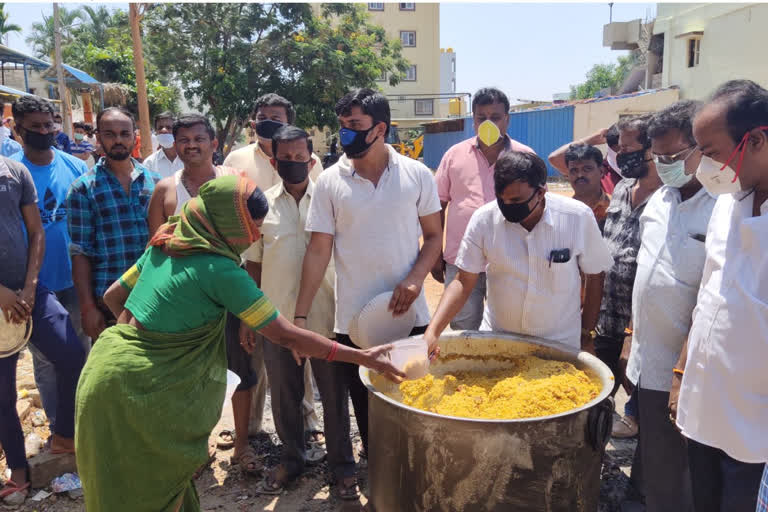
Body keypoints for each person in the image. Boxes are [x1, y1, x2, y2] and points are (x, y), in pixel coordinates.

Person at [74, 174, 403, 512]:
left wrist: (141, 344)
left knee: (121, 489)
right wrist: (363, 357)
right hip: (141, 394)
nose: (255, 236)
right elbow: (286, 335)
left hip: (103, 371)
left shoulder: (169, 241)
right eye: (250, 227)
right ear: (226, 222)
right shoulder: (219, 270)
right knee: (155, 492)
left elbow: (113, 296)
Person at [294, 88, 442, 499]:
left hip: (411, 320)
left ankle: (419, 485)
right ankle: (385, 492)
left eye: (354, 126)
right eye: (342, 126)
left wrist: (415, 279)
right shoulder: (328, 182)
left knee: (417, 403)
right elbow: (318, 250)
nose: (346, 135)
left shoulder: (417, 175)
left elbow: (433, 237)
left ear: (380, 128)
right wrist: (301, 319)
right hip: (355, 328)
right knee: (371, 413)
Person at [671, 79, 768, 512]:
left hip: (756, 427)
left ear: (757, 140)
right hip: (706, 405)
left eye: (709, 152)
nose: (699, 165)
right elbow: (707, 297)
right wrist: (681, 373)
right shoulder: (728, 202)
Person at [424, 150, 613, 355]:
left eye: (515, 201)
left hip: (559, 344)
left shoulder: (576, 217)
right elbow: (463, 281)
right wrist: (432, 332)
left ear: (540, 193)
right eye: (501, 200)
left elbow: (595, 275)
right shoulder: (484, 220)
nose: (507, 207)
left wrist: (586, 332)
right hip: (500, 341)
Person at [622, 99, 713, 512]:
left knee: (688, 471)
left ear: (701, 149)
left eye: (674, 156)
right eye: (657, 157)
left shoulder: (721, 209)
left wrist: (680, 372)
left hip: (687, 371)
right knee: (656, 460)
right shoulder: (659, 201)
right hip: (647, 361)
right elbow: (645, 275)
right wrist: (629, 336)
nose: (665, 165)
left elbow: (713, 301)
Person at [244, 125, 337, 494]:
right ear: (274, 160)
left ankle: (340, 462)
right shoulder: (261, 206)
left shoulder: (331, 201)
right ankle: (292, 459)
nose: (294, 163)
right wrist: (249, 318)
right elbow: (253, 264)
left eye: (301, 158)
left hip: (327, 316)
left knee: (333, 396)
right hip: (276, 318)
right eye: (287, 158)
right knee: (284, 395)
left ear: (311, 160)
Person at [224, 93, 323, 438]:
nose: (268, 122)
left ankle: (310, 424)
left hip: (313, 287)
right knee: (268, 365)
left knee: (311, 365)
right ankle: (254, 432)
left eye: (276, 117)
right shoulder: (237, 159)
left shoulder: (317, 175)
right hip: (265, 279)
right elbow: (252, 256)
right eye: (262, 117)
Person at [0, 155, 85, 506]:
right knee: (3, 395)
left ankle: (64, 434)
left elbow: (36, 232)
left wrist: (31, 286)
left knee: (74, 356)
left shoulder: (13, 170)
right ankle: (18, 471)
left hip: (27, 291)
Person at [10, 97, 89, 431]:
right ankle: (60, 427)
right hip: (33, 284)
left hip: (76, 279)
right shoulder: (10, 172)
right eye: (36, 127)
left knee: (81, 352)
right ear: (18, 129)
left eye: (49, 125)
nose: (45, 132)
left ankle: (83, 423)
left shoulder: (76, 167)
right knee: (45, 360)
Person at [432, 87, 534, 330]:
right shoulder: (454, 155)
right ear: (473, 120)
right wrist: (435, 253)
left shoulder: (526, 157)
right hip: (461, 259)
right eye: (481, 118)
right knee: (463, 329)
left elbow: (539, 209)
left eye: (495, 117)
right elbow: (438, 205)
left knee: (510, 327)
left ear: (507, 119)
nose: (488, 123)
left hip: (510, 260)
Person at [594, 115, 662, 445]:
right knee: (600, 386)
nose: (621, 155)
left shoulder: (668, 195)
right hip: (608, 311)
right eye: (618, 148)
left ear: (652, 148)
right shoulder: (622, 187)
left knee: (640, 388)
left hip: (643, 318)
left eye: (628, 148)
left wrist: (633, 333)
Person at [66, 107, 160, 343]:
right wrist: (87, 308)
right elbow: (80, 252)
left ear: (134, 137)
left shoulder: (154, 182)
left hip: (153, 297)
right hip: (107, 302)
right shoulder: (84, 188)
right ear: (98, 138)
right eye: (110, 134)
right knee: (117, 372)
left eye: (124, 133)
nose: (118, 140)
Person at [224, 93, 324, 190]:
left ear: (289, 126)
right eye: (262, 118)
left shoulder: (309, 162)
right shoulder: (235, 160)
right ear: (254, 125)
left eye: (275, 119)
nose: (267, 124)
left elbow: (319, 199)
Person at [548, 124, 623, 195]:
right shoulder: (597, 171)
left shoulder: (633, 173)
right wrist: (592, 139)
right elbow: (555, 158)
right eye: (624, 147)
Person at [564, 143, 611, 231]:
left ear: (601, 172)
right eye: (574, 170)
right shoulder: (562, 210)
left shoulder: (614, 207)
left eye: (587, 169)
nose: (580, 175)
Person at [142, 111, 184, 179]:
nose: (164, 130)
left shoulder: (189, 160)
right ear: (156, 131)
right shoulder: (149, 163)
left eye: (169, 127)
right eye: (160, 128)